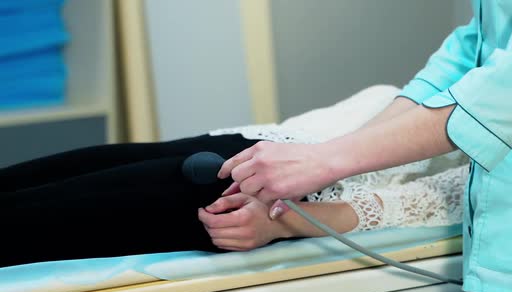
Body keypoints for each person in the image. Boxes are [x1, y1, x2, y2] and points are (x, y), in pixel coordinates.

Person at [218, 2, 512, 292]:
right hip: (510, 231)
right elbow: (463, 58)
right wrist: (330, 162)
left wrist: (325, 162)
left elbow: (505, 96)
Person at [0, 85, 468, 269]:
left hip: (257, 196)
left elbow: (431, 201)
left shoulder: (507, 139)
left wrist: (283, 221)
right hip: (244, 145)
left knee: (22, 223)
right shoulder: (467, 60)